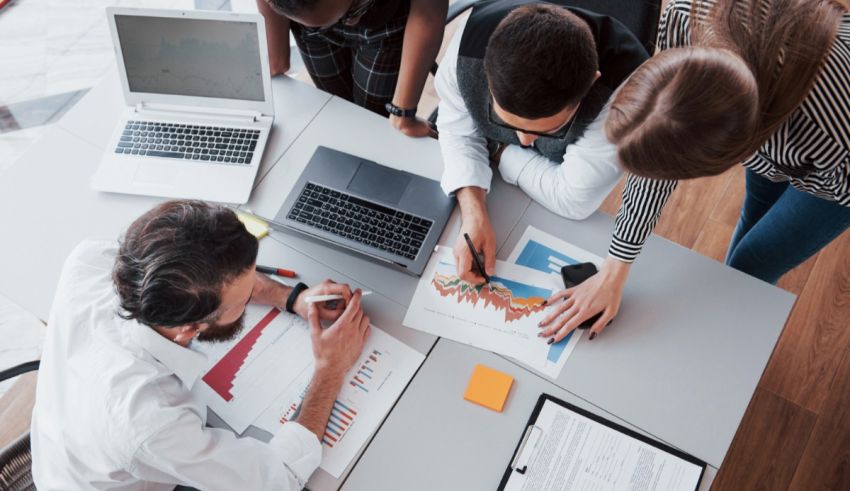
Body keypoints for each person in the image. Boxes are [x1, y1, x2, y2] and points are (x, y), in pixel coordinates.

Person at [539, 0, 850, 343]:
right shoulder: (687, 18)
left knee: (753, 262)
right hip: (777, 132)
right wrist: (615, 267)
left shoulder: (829, 132)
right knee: (757, 203)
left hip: (838, 179)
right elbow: (662, 139)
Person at [30, 200, 371, 490]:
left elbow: (214, 269)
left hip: (71, 433)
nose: (253, 292)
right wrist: (330, 369)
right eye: (242, 299)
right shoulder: (152, 422)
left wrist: (291, 297)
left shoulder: (92, 260)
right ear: (188, 329)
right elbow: (278, 479)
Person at [435, 0, 648, 284]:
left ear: (590, 84)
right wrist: (473, 212)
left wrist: (497, 148)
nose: (522, 140)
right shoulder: (468, 45)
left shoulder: (626, 95)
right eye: (506, 122)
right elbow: (456, 129)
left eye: (546, 129)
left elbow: (572, 199)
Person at [257, 0, 447, 138]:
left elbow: (429, 11)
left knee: (371, 123)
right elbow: (275, 61)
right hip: (311, 29)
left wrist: (402, 113)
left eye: (353, 10)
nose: (352, 23)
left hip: (385, 24)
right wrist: (274, 56)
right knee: (341, 112)